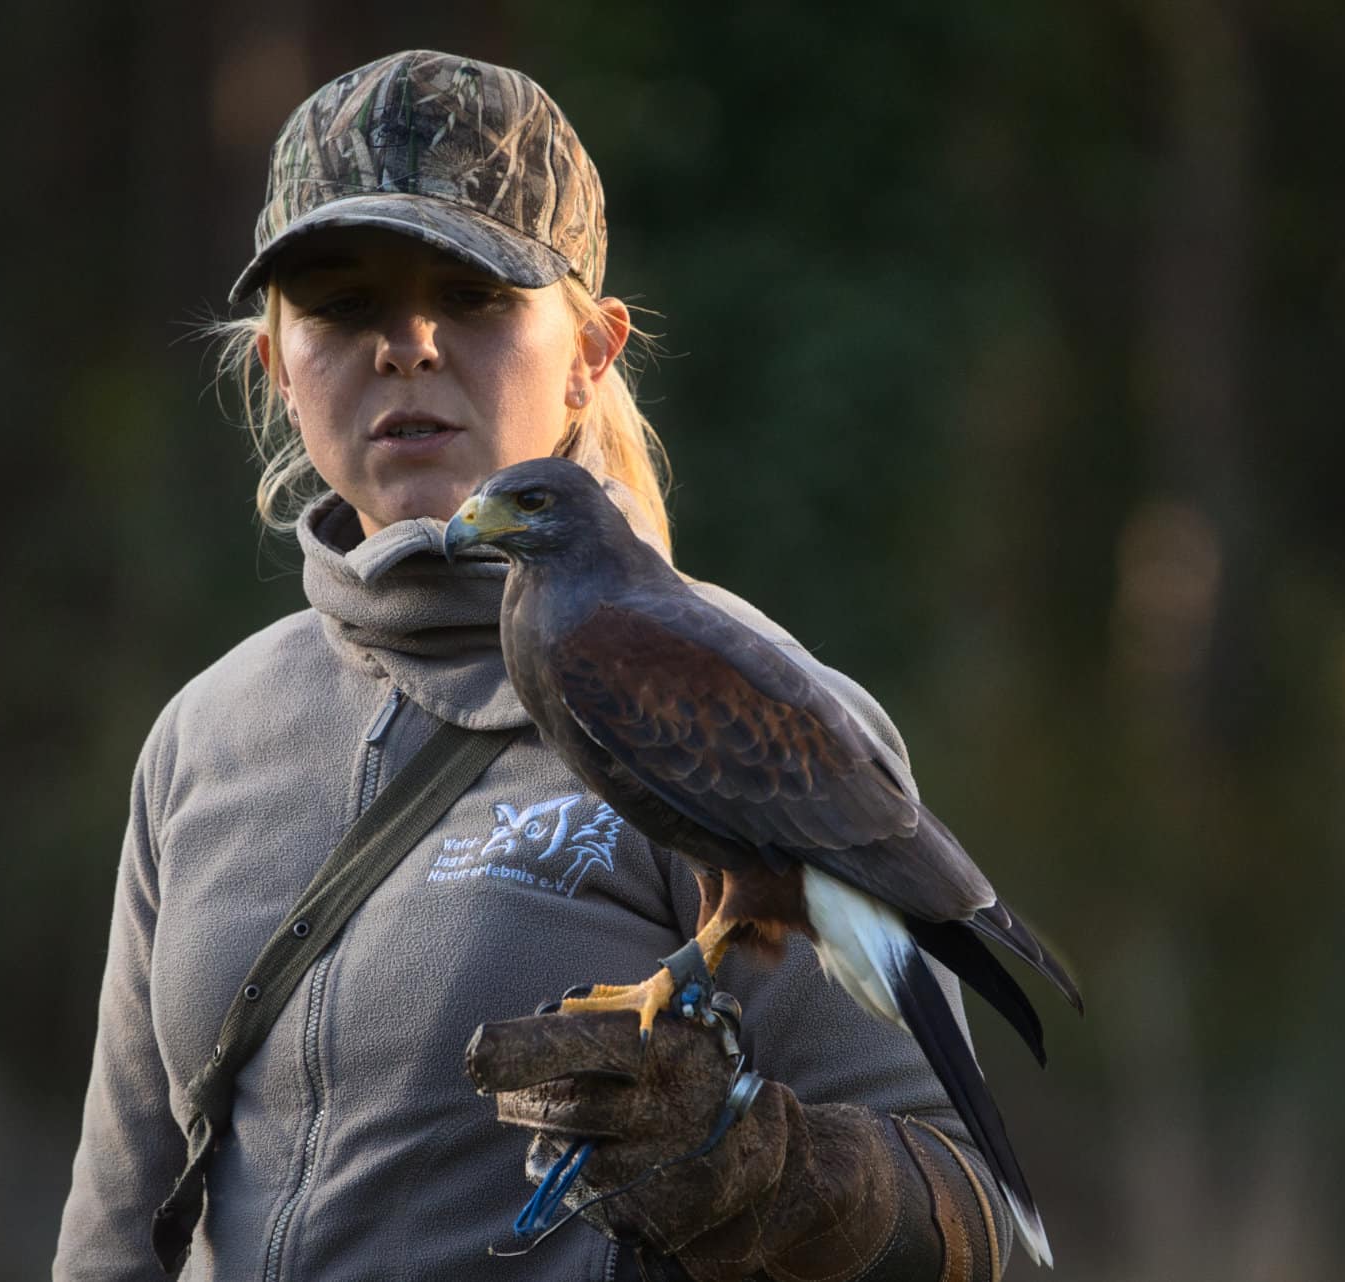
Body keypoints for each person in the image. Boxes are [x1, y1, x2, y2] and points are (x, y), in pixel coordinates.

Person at [55, 49, 1023, 1282]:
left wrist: (770, 1177)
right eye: (344, 307)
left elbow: (968, 1221)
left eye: (472, 298)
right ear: (275, 369)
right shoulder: (204, 736)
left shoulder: (725, 685)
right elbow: (114, 1234)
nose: (406, 347)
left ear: (591, 352)